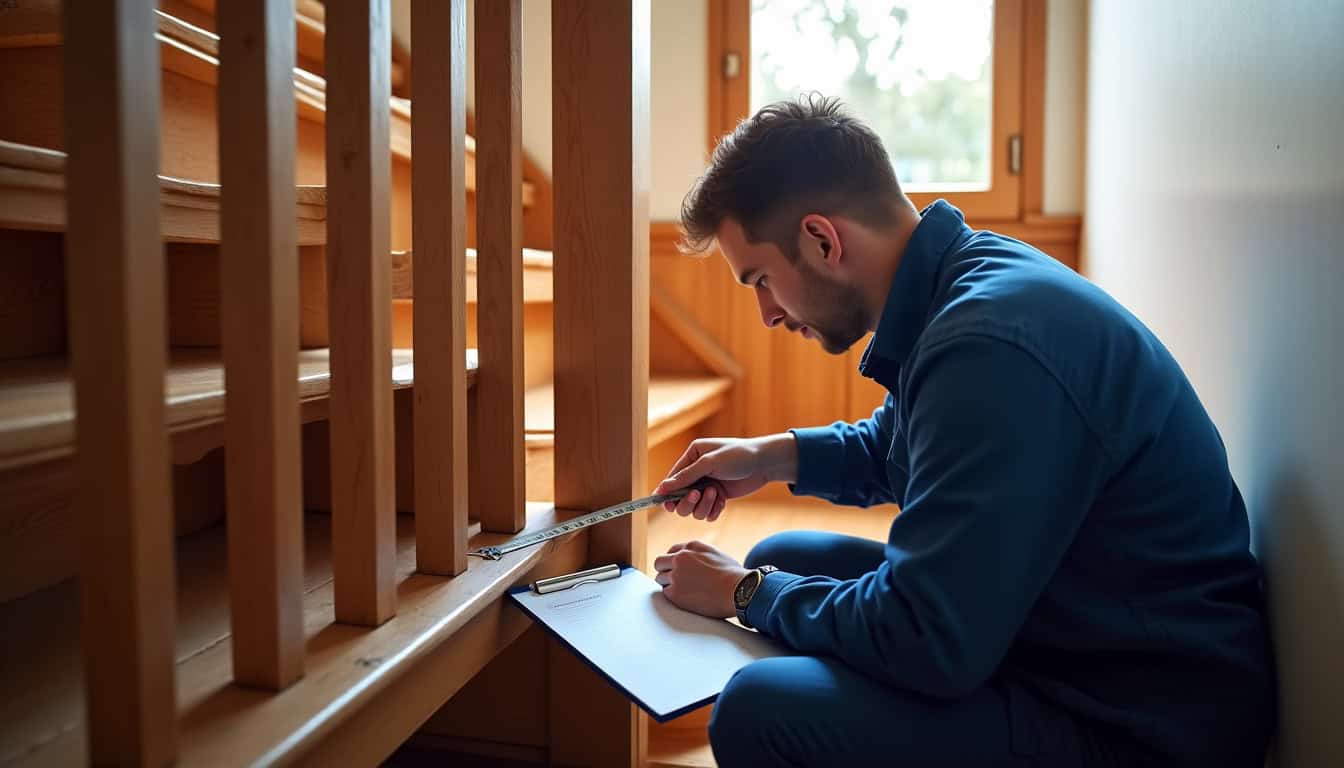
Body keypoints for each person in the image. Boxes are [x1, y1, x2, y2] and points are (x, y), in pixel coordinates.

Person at [651, 95, 1275, 767]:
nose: (767, 313)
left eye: (762, 280)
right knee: (791, 553)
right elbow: (901, 449)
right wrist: (768, 458)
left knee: (758, 707)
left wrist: (746, 593)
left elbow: (929, 640)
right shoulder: (968, 284)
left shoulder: (986, 346)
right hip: (1072, 630)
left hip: (1136, 721)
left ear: (822, 241)